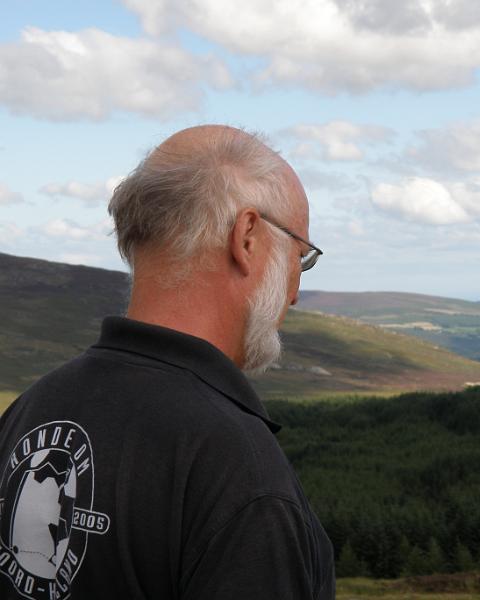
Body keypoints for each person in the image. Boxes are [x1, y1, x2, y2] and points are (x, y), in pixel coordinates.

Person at [0, 125, 335, 599]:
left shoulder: (32, 410)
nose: (295, 294)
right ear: (247, 237)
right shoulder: (239, 469)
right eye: (301, 258)